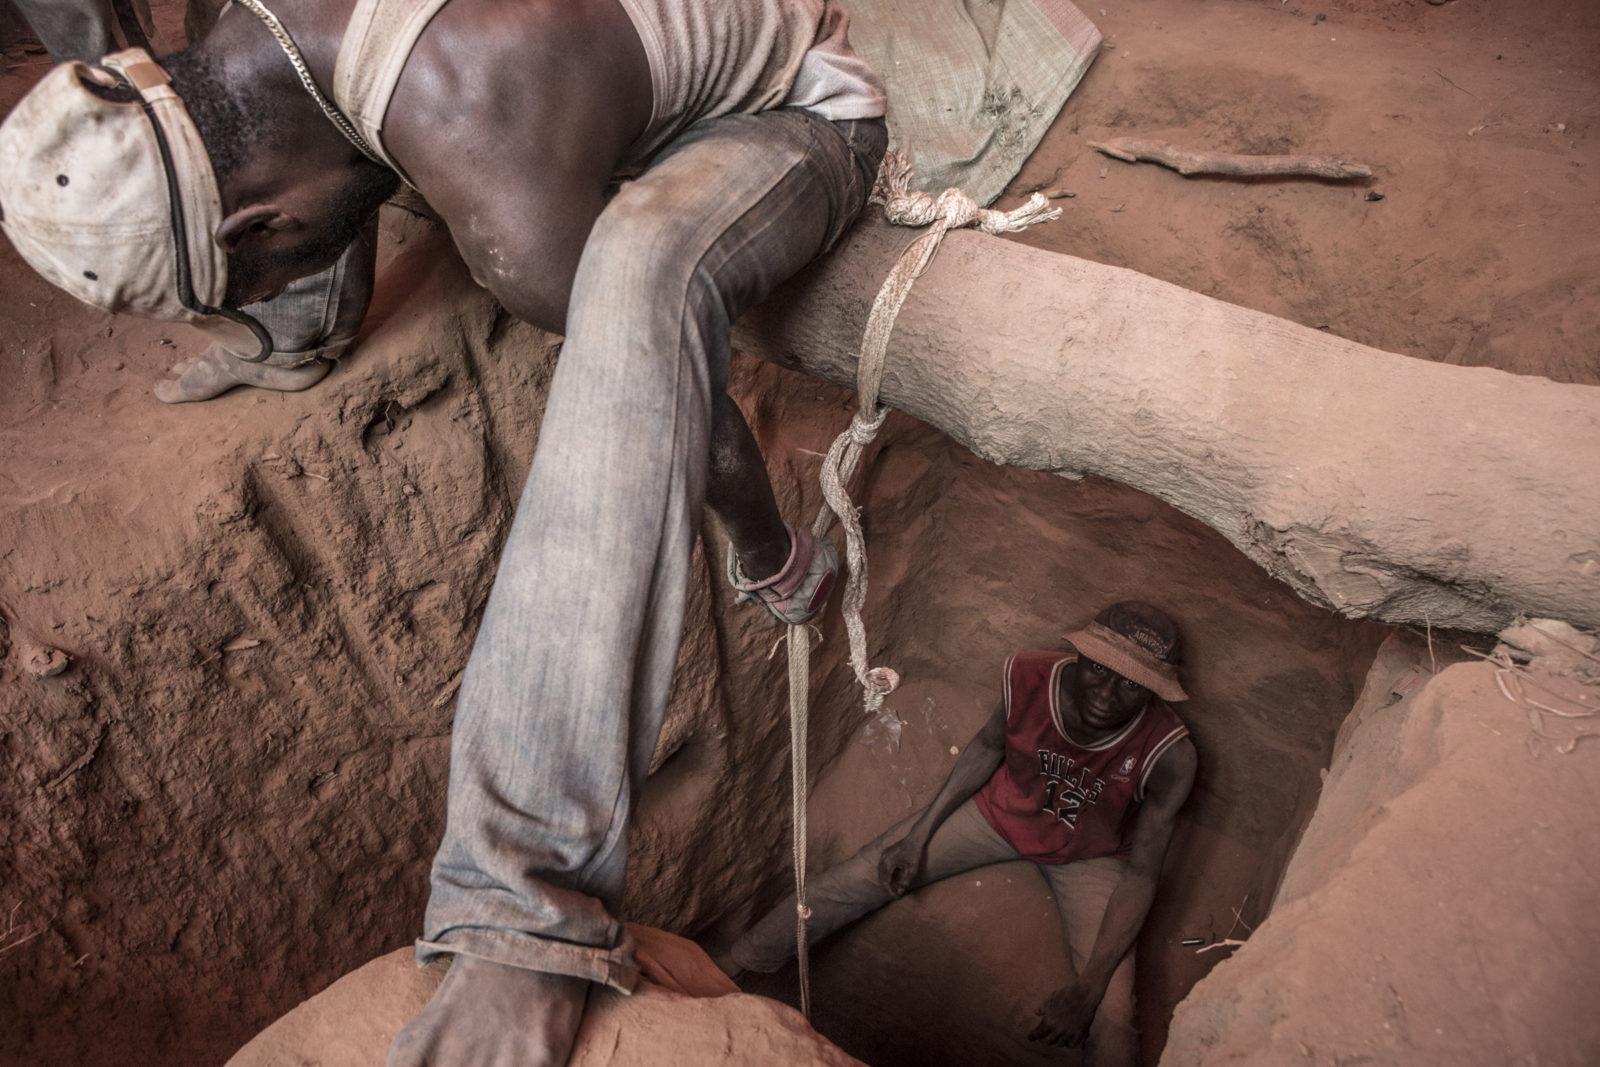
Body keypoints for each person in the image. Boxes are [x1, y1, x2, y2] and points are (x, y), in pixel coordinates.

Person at [0, 0, 885, 1062]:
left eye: (264, 285)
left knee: (641, 264)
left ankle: (525, 902)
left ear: (259, 224)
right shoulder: (253, 29)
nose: (282, 289)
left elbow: (683, 409)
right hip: (594, 73)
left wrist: (768, 550)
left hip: (800, 110)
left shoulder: (503, 199)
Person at [723, 601, 1198, 1065]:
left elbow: (1141, 874)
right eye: (1100, 670)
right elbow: (988, 746)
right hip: (998, 813)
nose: (1106, 694)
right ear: (1082, 655)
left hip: (1087, 856)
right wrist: (919, 835)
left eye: (1131, 686)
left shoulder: (1169, 753)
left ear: (1153, 693)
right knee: (862, 875)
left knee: (1112, 1017)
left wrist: (1090, 989)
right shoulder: (1028, 675)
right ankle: (732, 965)